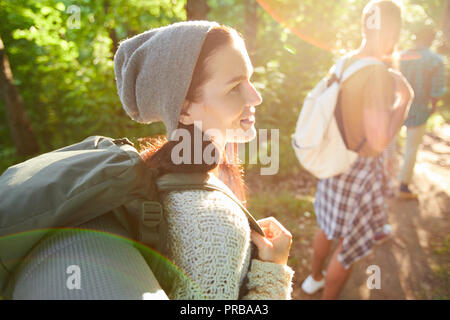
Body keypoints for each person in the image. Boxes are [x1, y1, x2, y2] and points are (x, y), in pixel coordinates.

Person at [11, 21, 294, 300]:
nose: (255, 97)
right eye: (234, 87)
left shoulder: (163, 171)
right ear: (183, 110)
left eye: (249, 79)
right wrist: (273, 271)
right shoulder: (213, 223)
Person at [301, 0, 413, 299]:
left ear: (365, 24)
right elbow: (378, 143)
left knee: (327, 225)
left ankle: (313, 278)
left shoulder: (346, 61)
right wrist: (404, 101)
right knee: (348, 249)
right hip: (358, 170)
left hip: (333, 160)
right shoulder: (377, 73)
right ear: (392, 33)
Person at [396, 25, 446, 199]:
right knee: (411, 148)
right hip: (419, 108)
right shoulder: (435, 61)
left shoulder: (400, 56)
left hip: (395, 106)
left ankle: (384, 181)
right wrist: (432, 108)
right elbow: (437, 90)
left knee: (388, 144)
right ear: (431, 39)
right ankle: (403, 186)